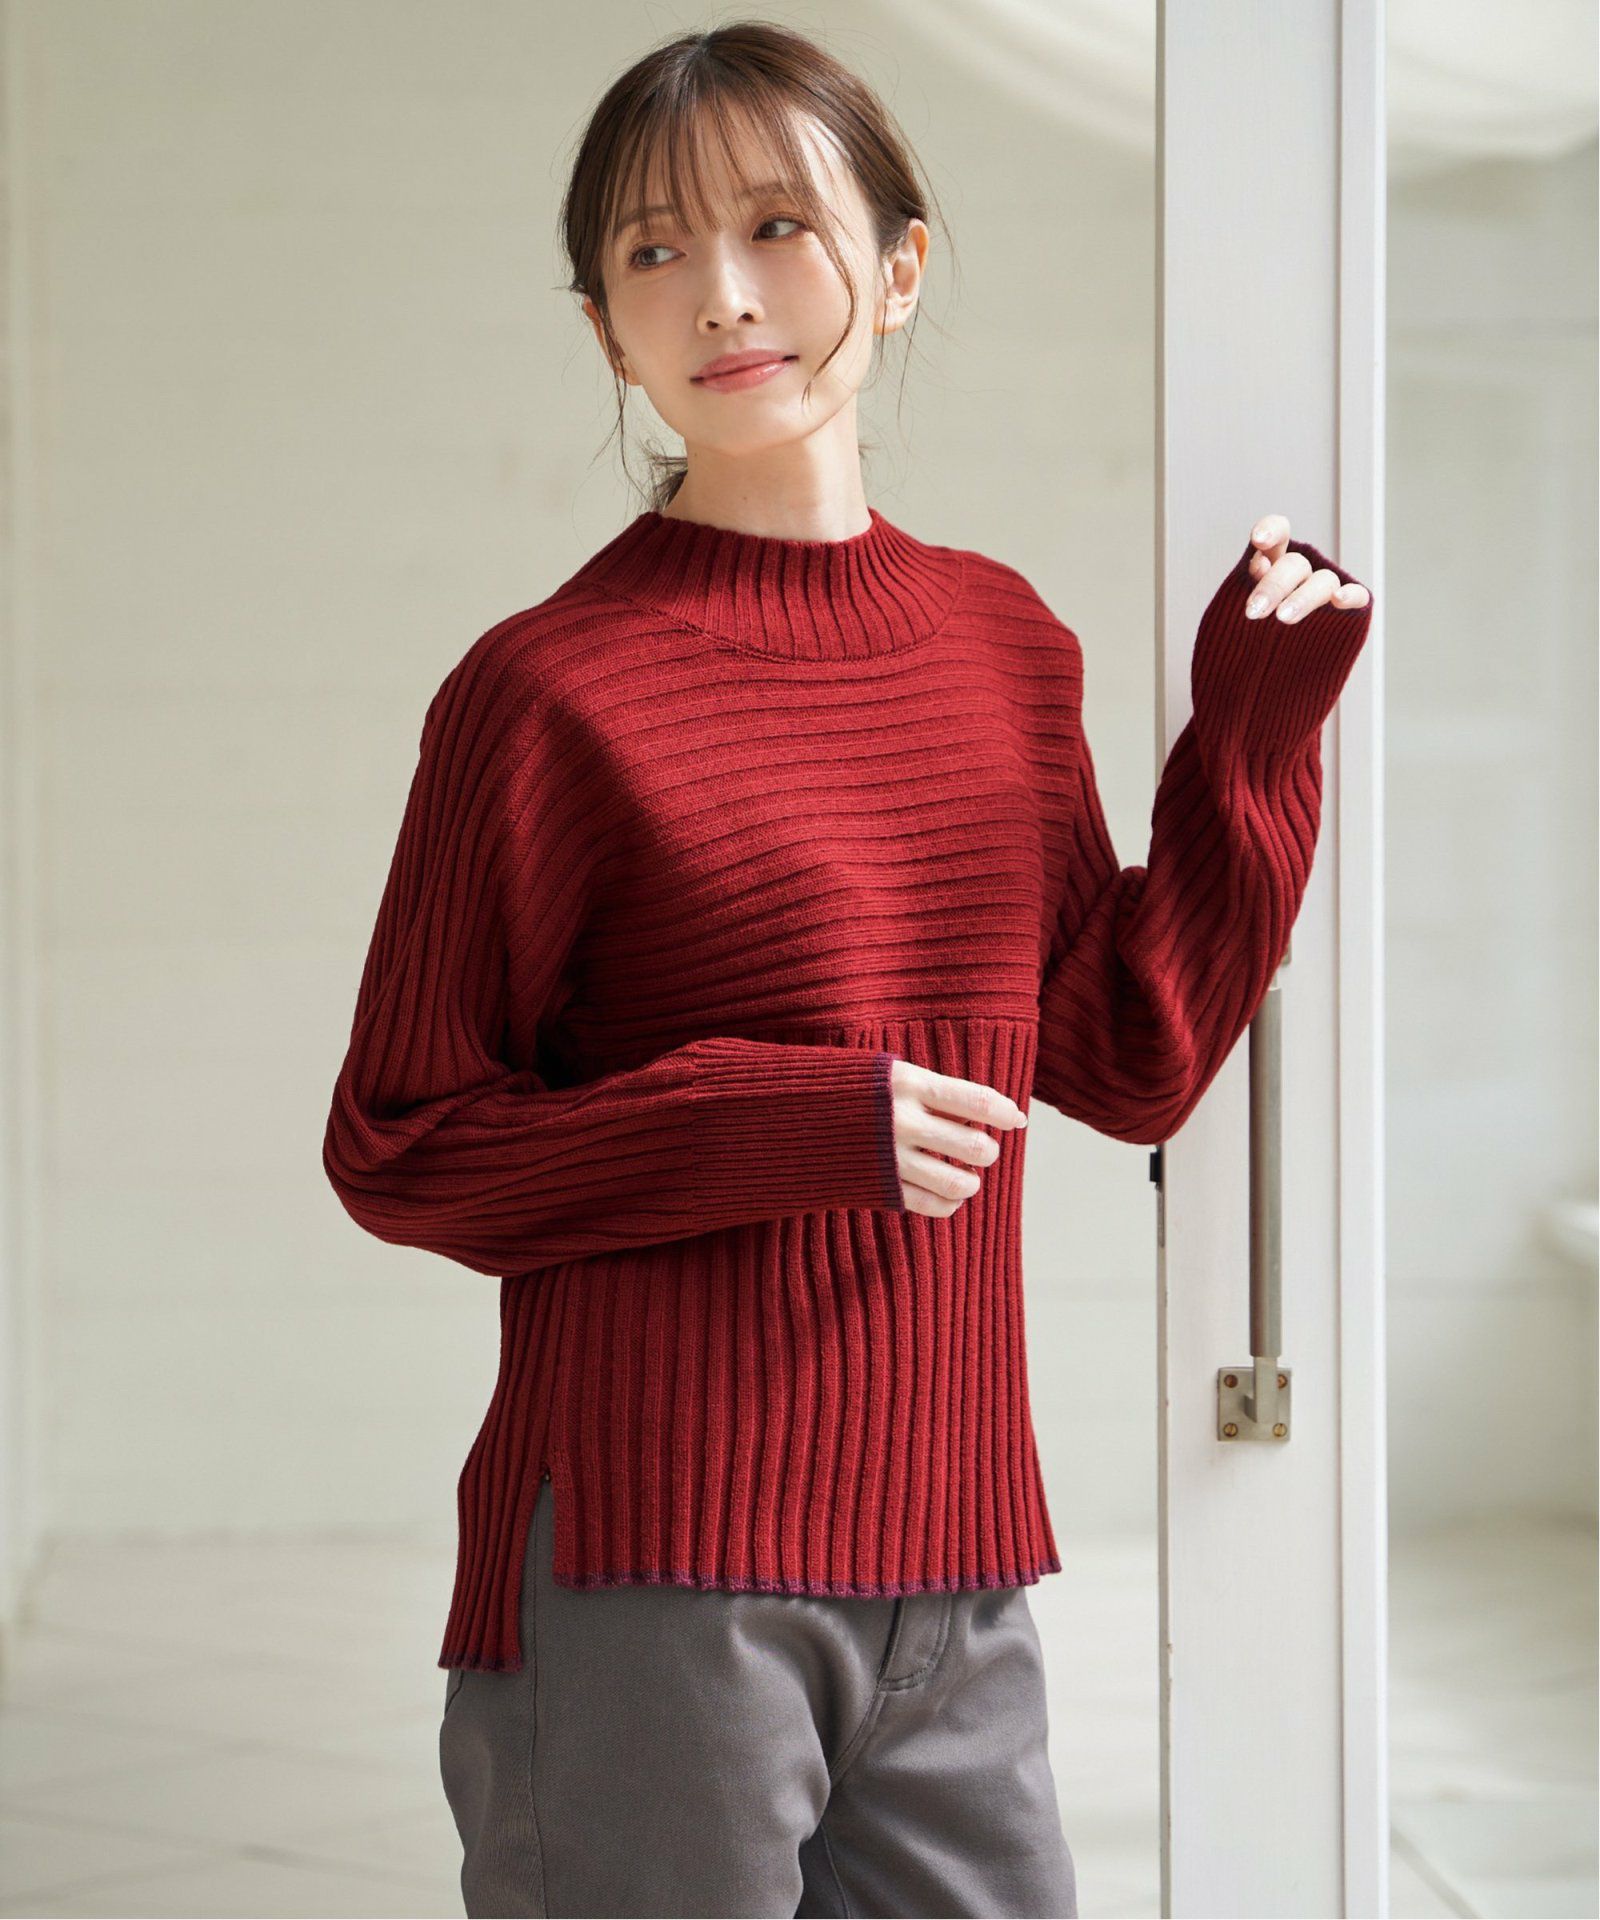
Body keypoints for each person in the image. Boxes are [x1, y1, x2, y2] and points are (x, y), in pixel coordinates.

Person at [321, 20, 1374, 1919]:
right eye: (654, 251)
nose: (721, 294)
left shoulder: (1001, 644)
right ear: (607, 333)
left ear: (895, 268)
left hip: (954, 1567)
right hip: (654, 1571)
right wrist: (793, 1122)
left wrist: (1252, 738)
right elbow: (402, 1145)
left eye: (778, 227)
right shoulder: (543, 695)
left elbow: (1122, 1054)